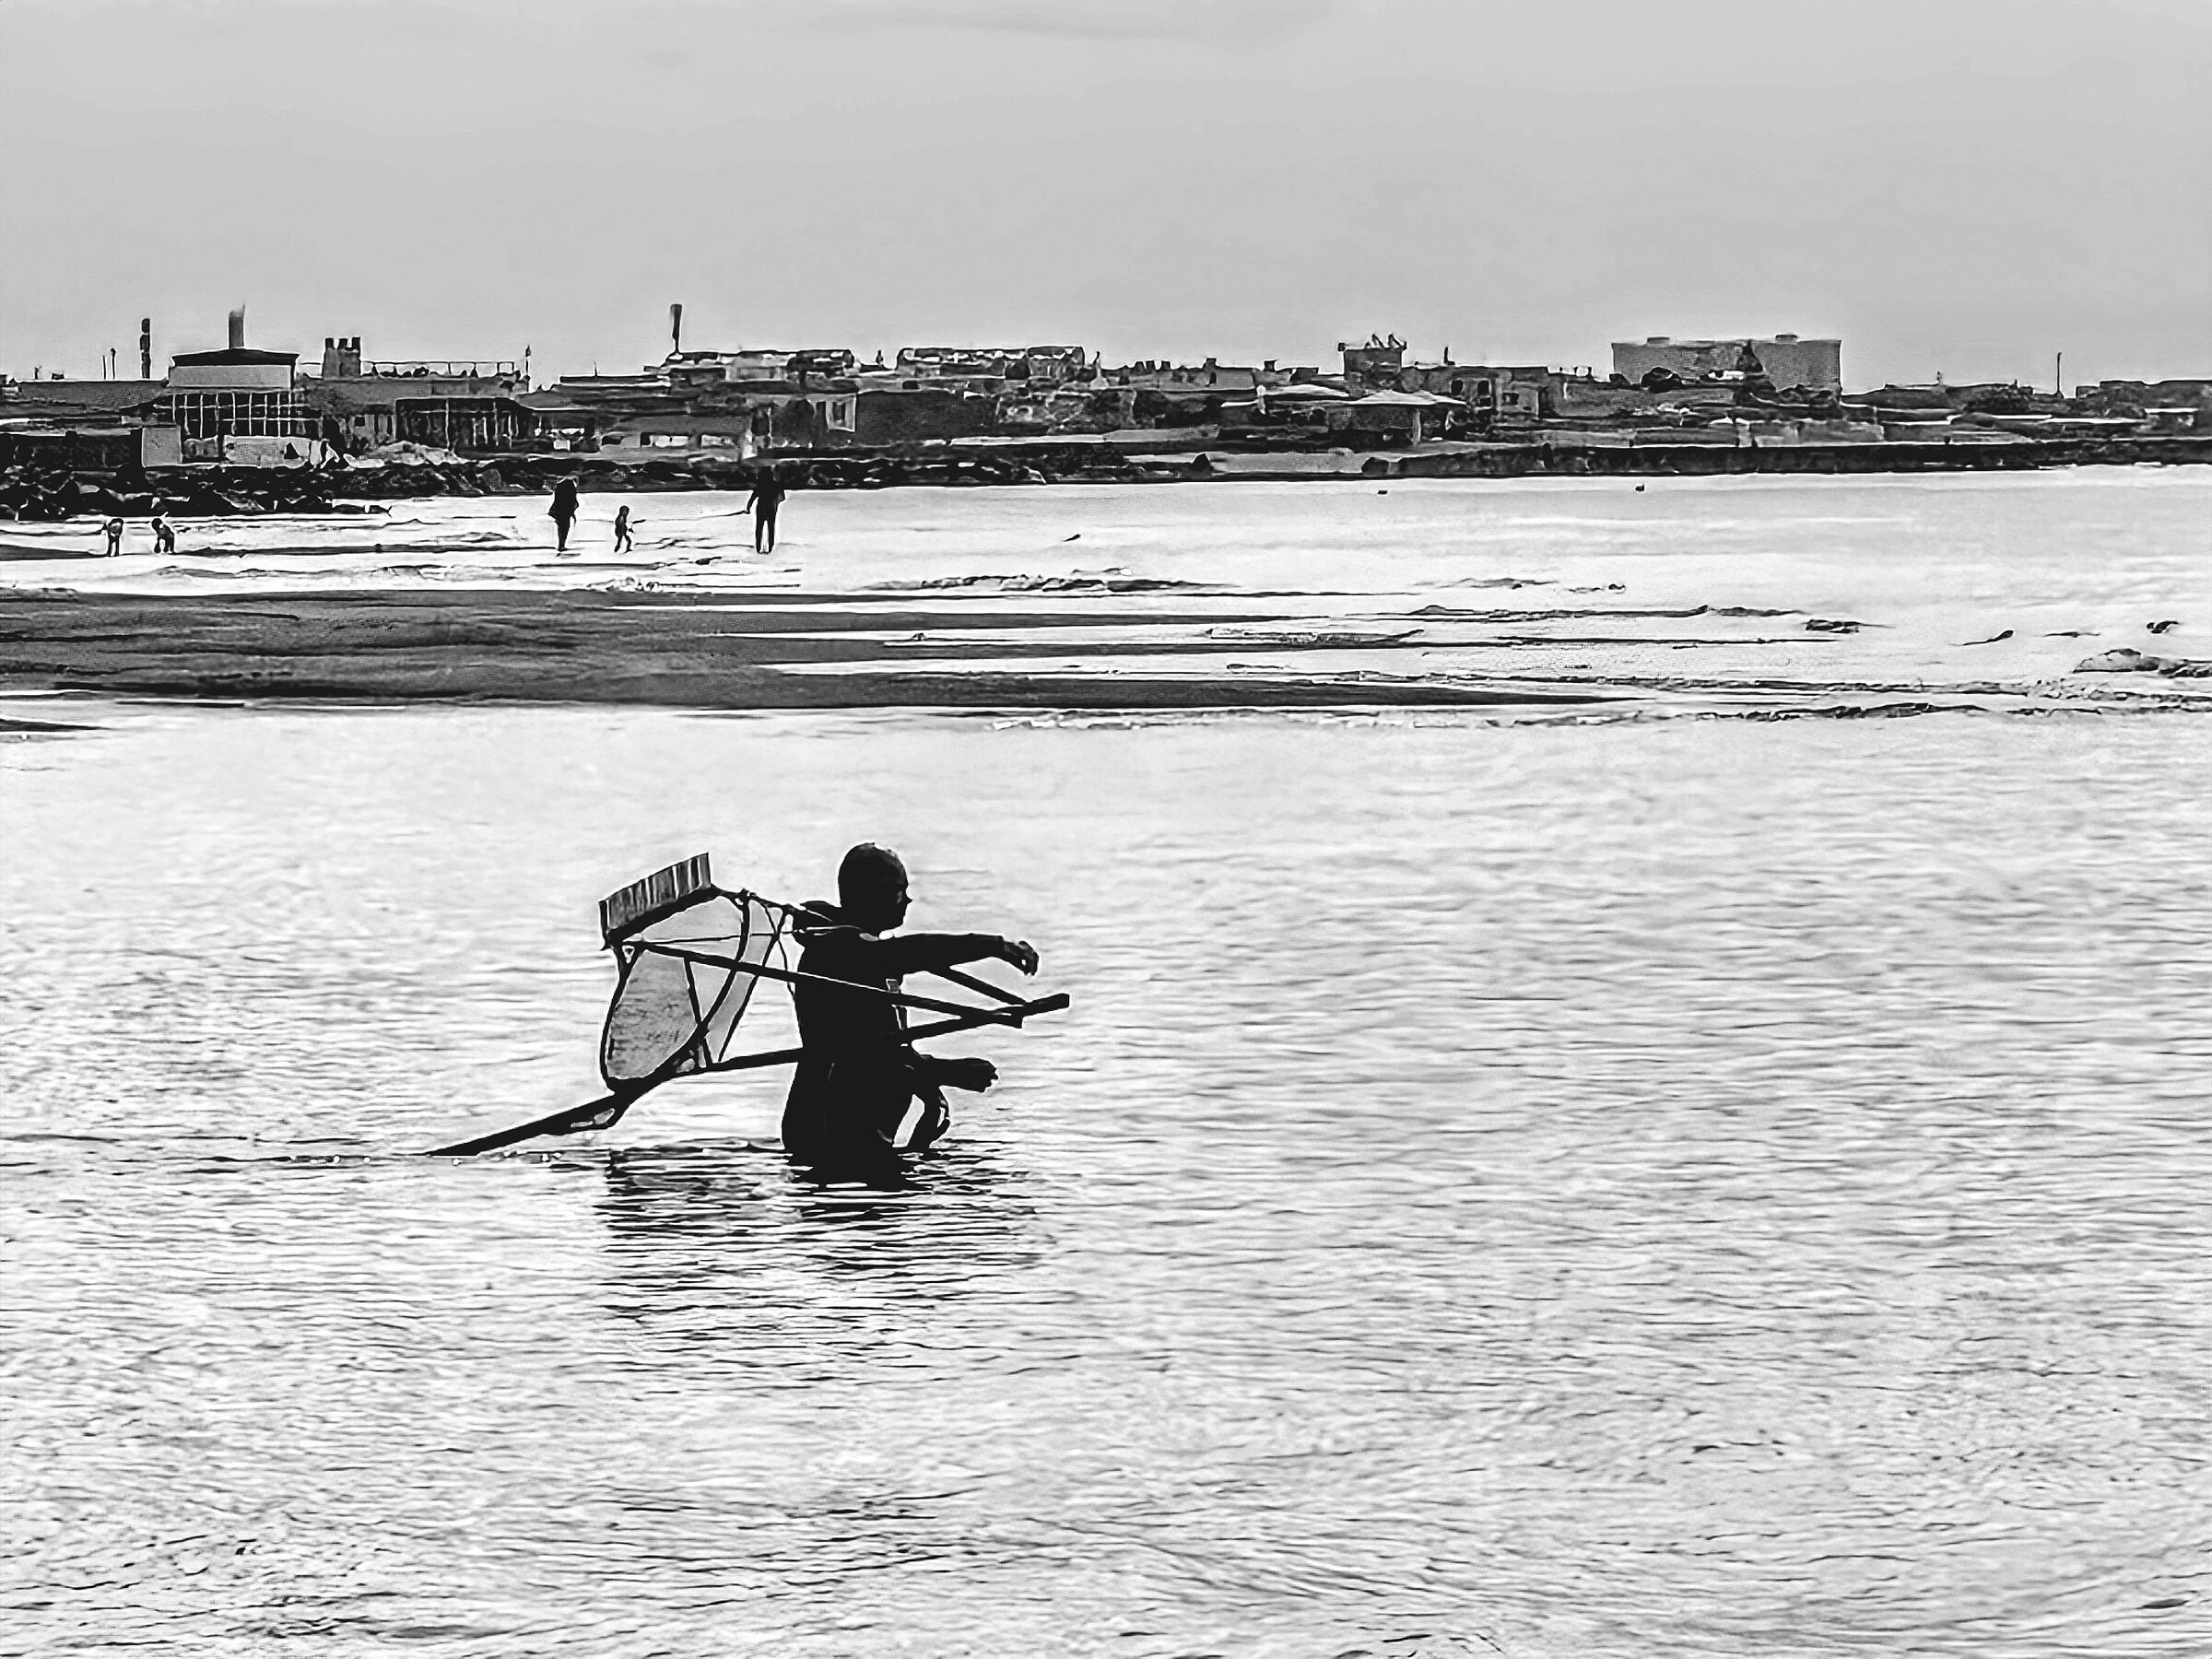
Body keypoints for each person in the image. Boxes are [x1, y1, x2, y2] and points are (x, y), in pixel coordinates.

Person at [782, 843, 1039, 1171]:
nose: (907, 900)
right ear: (868, 895)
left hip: (852, 1132)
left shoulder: (864, 951)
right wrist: (993, 946)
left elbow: (887, 1049)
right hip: (826, 1133)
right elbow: (861, 1055)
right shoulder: (838, 953)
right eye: (897, 890)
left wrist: (933, 1072)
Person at [744, 470, 789, 555]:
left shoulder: (761, 485)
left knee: (759, 529)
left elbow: (753, 497)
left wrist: (748, 508)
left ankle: (758, 548)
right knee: (771, 528)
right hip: (772, 509)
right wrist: (776, 502)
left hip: (761, 508)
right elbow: (782, 497)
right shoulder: (776, 485)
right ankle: (770, 548)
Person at [548, 477, 581, 553]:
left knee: (560, 527)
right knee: (565, 528)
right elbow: (573, 500)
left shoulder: (559, 487)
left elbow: (557, 500)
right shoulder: (570, 487)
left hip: (559, 510)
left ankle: (561, 544)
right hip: (566, 510)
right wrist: (573, 511)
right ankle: (561, 545)